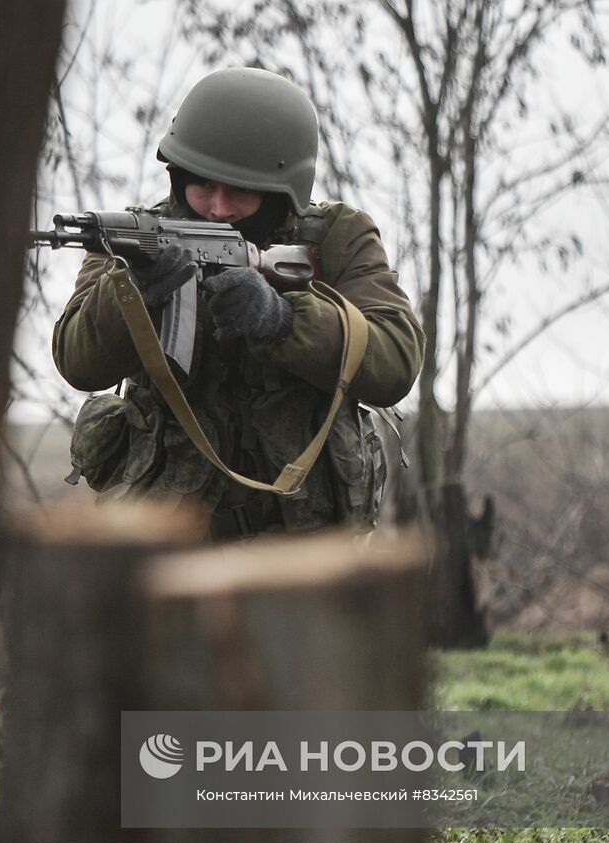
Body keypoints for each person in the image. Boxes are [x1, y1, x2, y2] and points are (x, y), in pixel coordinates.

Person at [52, 67, 424, 540]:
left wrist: (283, 322)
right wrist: (132, 295)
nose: (218, 208)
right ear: (177, 176)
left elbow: (396, 360)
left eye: (240, 192)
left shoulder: (337, 238)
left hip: (305, 542)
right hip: (165, 535)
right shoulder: (134, 237)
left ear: (281, 192)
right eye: (202, 186)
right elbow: (77, 362)